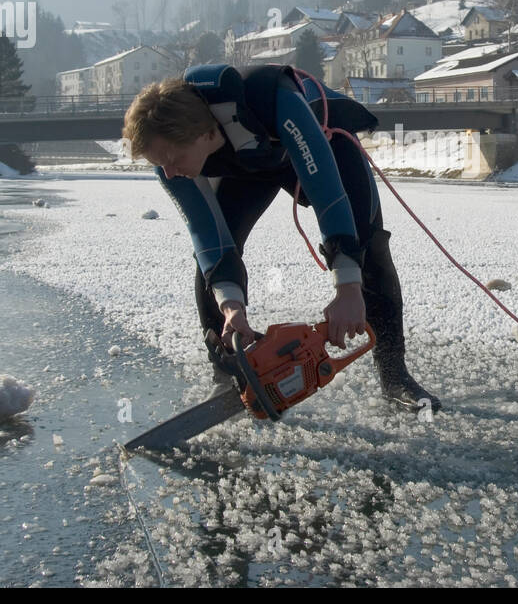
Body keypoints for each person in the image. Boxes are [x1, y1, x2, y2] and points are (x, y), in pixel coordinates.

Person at [122, 63, 441, 415]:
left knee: (368, 245)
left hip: (323, 146)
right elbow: (210, 241)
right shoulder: (172, 162)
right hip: (249, 165)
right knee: (213, 267)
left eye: (171, 159)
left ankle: (395, 376)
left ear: (200, 133)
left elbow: (327, 195)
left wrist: (348, 288)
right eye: (159, 164)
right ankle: (227, 377)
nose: (168, 172)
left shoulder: (271, 98)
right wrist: (231, 308)